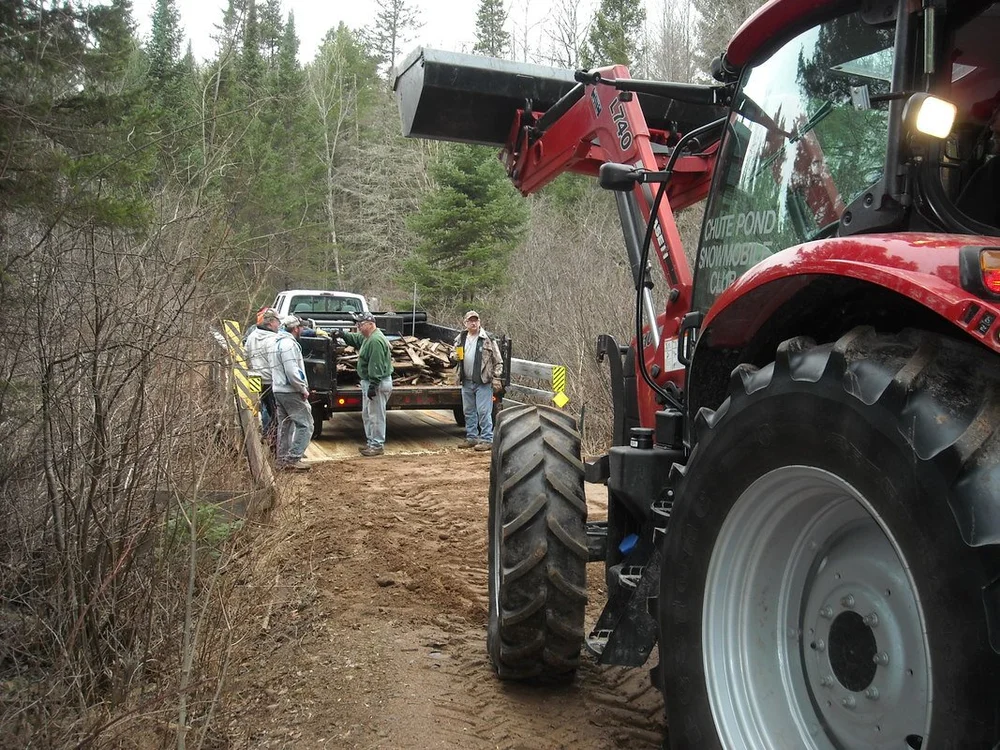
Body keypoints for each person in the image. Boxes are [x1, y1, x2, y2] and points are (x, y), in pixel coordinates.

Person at [338, 312, 393, 457]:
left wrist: (373, 385)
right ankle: (371, 443)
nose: (358, 327)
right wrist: (343, 335)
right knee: (368, 415)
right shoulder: (368, 337)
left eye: (361, 324)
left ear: (370, 324)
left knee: (376, 416)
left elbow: (376, 365)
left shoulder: (375, 341)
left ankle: (377, 445)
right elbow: (357, 339)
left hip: (377, 382)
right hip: (369, 382)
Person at [269, 315, 314, 471]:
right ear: (295, 328)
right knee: (306, 425)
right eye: (301, 327)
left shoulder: (276, 342)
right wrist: (302, 388)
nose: (302, 329)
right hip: (290, 390)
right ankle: (293, 459)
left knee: (285, 425)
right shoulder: (288, 345)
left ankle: (282, 459)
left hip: (278, 389)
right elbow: (291, 371)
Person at [454, 310, 503, 451]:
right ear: (465, 323)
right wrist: (454, 356)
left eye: (475, 320)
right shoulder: (461, 338)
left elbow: (498, 361)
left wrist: (496, 378)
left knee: (483, 411)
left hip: (483, 381)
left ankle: (487, 439)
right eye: (470, 321)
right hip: (466, 381)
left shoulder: (487, 338)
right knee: (468, 411)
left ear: (479, 322)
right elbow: (454, 353)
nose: (473, 323)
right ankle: (472, 438)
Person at [245, 307, 281, 449]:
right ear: (271, 322)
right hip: (270, 381)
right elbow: (276, 363)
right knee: (275, 414)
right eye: (277, 322)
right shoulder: (273, 340)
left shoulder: (252, 336)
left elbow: (246, 356)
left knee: (259, 411)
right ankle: (274, 445)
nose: (279, 325)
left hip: (255, 380)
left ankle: (261, 438)